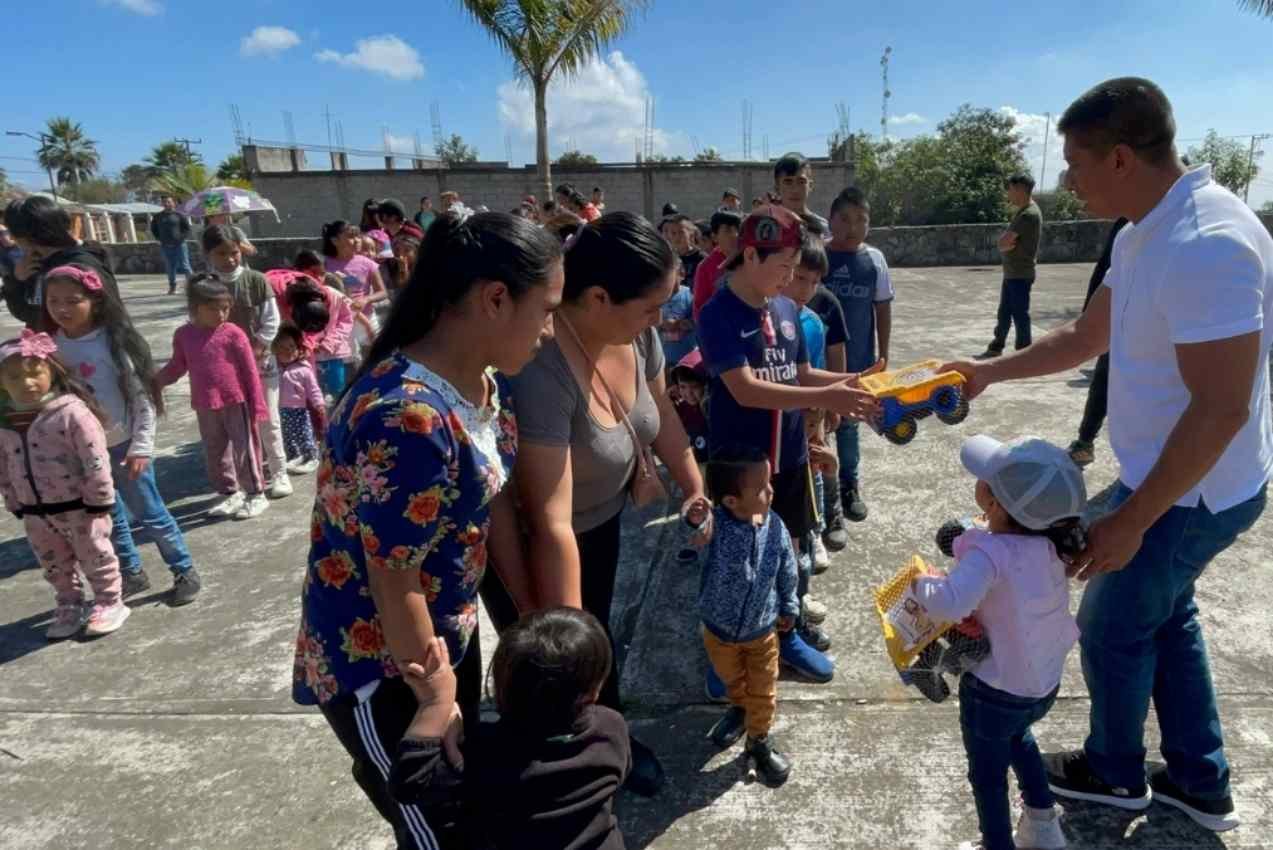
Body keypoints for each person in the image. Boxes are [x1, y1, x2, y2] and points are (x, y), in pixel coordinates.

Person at [943, 77, 1273, 833]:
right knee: (1165, 616)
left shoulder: (1206, 241)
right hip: (1169, 478)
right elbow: (1087, 336)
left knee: (1113, 621)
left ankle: (1115, 772)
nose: (1066, 180)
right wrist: (986, 370)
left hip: (1193, 492)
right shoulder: (1142, 231)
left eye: (1074, 163)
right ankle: (1199, 778)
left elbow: (1221, 406)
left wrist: (1130, 520)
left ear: (1120, 157)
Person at [294, 211, 563, 850]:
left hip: (438, 644)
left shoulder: (477, 386)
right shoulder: (410, 416)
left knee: (463, 805)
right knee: (436, 825)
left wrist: (512, 619)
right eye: (546, 309)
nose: (550, 331)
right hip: (385, 666)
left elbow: (481, 512)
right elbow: (392, 575)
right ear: (495, 299)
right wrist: (435, 701)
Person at [506, 211, 711, 798]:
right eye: (652, 306)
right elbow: (548, 521)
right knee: (563, 659)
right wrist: (575, 643)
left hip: (599, 522)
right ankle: (575, 762)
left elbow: (663, 414)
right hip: (540, 539)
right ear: (597, 297)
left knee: (596, 643)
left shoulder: (635, 334)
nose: (663, 320)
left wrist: (693, 485)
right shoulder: (542, 369)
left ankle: (606, 739)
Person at [697, 203, 880, 682]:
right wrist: (826, 392)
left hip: (791, 457)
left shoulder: (785, 310)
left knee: (789, 554)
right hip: (742, 463)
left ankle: (787, 633)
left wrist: (856, 381)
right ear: (751, 256)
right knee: (734, 565)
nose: (788, 279)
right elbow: (745, 388)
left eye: (794, 270)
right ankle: (726, 651)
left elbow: (799, 374)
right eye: (782, 268)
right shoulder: (718, 313)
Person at [914, 435, 1085, 850]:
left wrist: (919, 585)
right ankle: (1044, 825)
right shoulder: (1050, 544)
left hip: (995, 691)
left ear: (992, 503)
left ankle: (997, 843)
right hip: (1042, 685)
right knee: (1018, 738)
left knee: (987, 776)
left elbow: (951, 605)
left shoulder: (988, 554)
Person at [387, 609, 629, 850]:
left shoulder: (485, 754)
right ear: (593, 692)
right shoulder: (611, 729)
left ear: (502, 686)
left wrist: (435, 704)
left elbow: (408, 785)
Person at [44, 264, 201, 605]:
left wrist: (141, 447)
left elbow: (142, 400)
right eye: (53, 300)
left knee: (151, 513)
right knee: (108, 516)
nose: (62, 308)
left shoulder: (113, 344)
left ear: (95, 302)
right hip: (84, 453)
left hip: (125, 447)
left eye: (73, 300)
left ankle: (183, 569)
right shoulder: (51, 347)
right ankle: (131, 573)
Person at [0, 330, 128, 639]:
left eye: (34, 374)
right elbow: (3, 465)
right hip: (35, 511)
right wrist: (12, 499)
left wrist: (99, 497)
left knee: (95, 555)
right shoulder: (5, 421)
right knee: (54, 563)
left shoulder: (71, 412)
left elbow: (95, 457)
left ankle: (110, 601)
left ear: (53, 372)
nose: (26, 383)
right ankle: (70, 604)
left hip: (81, 507)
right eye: (14, 378)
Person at [695, 444, 798, 786]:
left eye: (769, 484)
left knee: (764, 688)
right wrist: (694, 515)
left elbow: (787, 568)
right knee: (731, 680)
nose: (771, 492)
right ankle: (739, 708)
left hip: (761, 631)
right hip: (718, 630)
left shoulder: (775, 525)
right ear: (730, 502)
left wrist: (789, 606)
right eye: (762, 488)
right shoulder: (716, 528)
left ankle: (759, 739)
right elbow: (694, 530)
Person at [156, 274, 270, 521]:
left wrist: (257, 402)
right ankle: (230, 491)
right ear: (195, 308)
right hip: (205, 403)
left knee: (244, 449)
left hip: (236, 401)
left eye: (225, 308)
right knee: (215, 451)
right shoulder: (184, 335)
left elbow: (250, 370)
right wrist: (155, 382)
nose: (221, 314)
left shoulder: (233, 333)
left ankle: (256, 493)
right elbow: (177, 365)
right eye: (213, 309)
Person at [203, 225, 290, 499]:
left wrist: (258, 349)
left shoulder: (255, 280)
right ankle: (250, 478)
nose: (229, 259)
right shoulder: (203, 285)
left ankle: (279, 473)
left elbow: (271, 321)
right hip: (224, 369)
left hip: (261, 362)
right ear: (208, 254)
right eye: (221, 253)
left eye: (234, 252)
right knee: (238, 428)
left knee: (268, 421)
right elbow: (197, 323)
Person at [824, 187, 894, 524]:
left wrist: (884, 354)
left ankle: (849, 485)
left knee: (849, 427)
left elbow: (882, 309)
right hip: (817, 367)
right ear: (830, 220)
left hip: (857, 363)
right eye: (845, 219)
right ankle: (822, 494)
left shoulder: (874, 260)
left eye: (861, 220)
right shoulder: (817, 257)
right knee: (815, 426)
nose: (853, 227)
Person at [787, 236, 839, 580]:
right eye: (800, 277)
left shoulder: (814, 324)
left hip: (810, 416)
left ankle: (815, 534)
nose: (807, 288)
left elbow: (817, 373)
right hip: (778, 416)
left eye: (815, 282)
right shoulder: (765, 316)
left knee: (816, 471)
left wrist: (826, 407)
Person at [2, 196, 122, 332]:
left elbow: (38, 316)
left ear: (27, 236)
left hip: (83, 349)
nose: (11, 238)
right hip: (56, 347)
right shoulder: (35, 262)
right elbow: (27, 313)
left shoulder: (76, 265)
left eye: (11, 231)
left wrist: (15, 281)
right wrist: (16, 279)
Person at [1067, 217, 1129, 468]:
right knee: (1103, 381)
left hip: (1148, 327)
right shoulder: (1128, 225)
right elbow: (1105, 270)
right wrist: (1090, 317)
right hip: (1118, 322)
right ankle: (1085, 442)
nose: (1071, 185)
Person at [979, 175, 1043, 358]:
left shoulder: (1028, 215)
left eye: (1011, 189)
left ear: (1020, 189)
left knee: (1019, 313)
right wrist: (1006, 244)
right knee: (1005, 311)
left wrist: (1005, 244)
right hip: (1013, 272)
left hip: (1020, 273)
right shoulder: (1024, 211)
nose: (1009, 193)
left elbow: (1003, 242)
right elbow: (1006, 243)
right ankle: (997, 344)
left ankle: (1024, 350)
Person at [273, 324, 325, 476]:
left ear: (299, 348)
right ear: (274, 350)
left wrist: (318, 403)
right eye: (282, 347)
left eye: (291, 346)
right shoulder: (274, 369)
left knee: (304, 434)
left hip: (299, 410)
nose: (288, 350)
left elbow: (313, 389)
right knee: (287, 436)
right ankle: (295, 456)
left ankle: (311, 456)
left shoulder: (303, 369)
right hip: (280, 410)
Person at [691, 210, 742, 321]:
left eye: (737, 230)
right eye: (728, 230)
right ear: (714, 237)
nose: (734, 235)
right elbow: (699, 309)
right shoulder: (705, 267)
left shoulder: (752, 258)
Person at [774, 152, 828, 233]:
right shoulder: (767, 227)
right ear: (777, 188)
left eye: (801, 182)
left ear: (810, 186)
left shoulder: (823, 229)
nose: (795, 189)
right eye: (788, 182)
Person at [149, 196, 192, 295]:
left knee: (186, 266)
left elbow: (187, 229)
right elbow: (154, 229)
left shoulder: (180, 215)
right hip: (166, 246)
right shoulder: (157, 217)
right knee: (170, 267)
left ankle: (191, 286)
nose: (166, 204)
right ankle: (172, 287)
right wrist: (159, 239)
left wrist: (181, 239)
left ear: (173, 203)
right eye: (164, 202)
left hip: (180, 246)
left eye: (168, 202)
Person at [658, 262, 696, 367]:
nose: (666, 280)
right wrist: (661, 323)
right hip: (662, 358)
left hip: (686, 359)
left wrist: (679, 324)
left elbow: (699, 322)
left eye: (670, 276)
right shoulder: (658, 297)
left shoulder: (690, 295)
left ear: (682, 275)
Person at [662, 214, 706, 289]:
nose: (677, 237)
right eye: (673, 233)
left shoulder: (702, 259)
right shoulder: (667, 259)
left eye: (681, 232)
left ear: (691, 233)